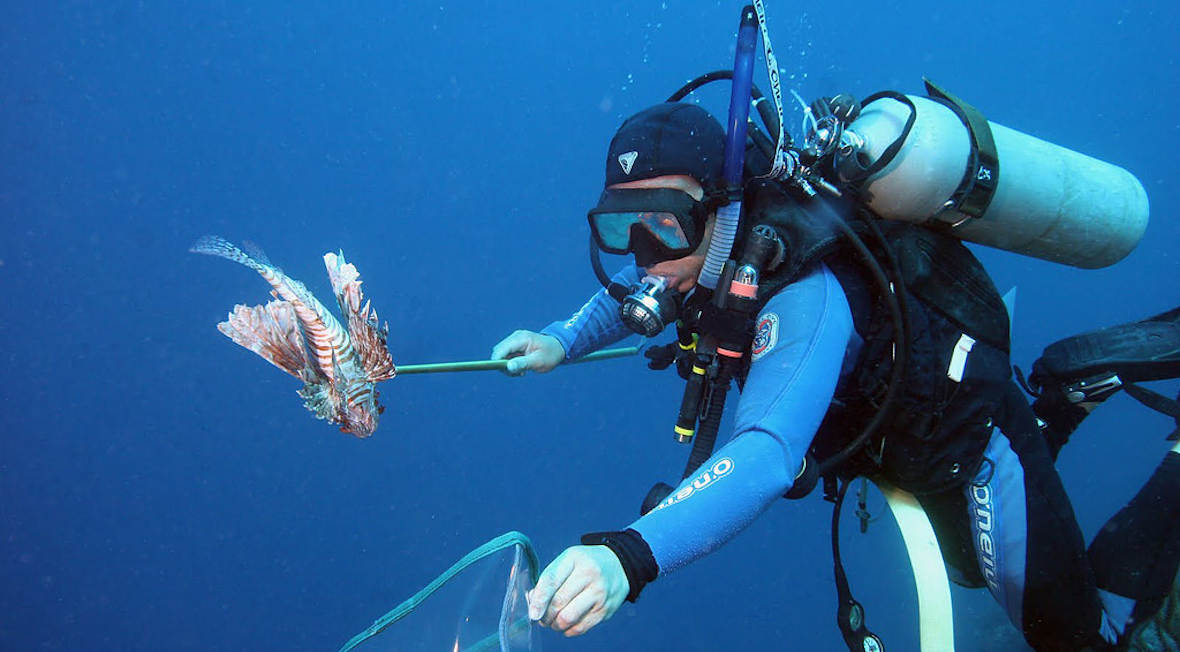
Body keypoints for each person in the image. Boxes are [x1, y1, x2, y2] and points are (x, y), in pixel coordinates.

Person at [490, 101, 1180, 650]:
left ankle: (1106, 407)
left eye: (666, 222)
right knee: (970, 571)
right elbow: (642, 287)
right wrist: (560, 341)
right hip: (895, 450)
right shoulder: (697, 256)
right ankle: (1064, 396)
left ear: (725, 206)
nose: (642, 252)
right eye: (621, 224)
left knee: (1079, 636)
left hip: (969, 445)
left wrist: (628, 558)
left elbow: (766, 454)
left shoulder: (804, 291)